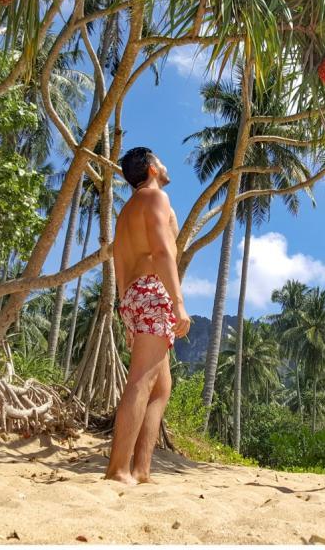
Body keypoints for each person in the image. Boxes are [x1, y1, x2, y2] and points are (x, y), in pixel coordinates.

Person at [105, 147, 191, 485]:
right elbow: (161, 251)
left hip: (133, 295)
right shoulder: (156, 199)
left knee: (160, 388)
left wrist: (127, 308)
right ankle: (117, 470)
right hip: (152, 293)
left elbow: (119, 261)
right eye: (162, 160)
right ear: (152, 168)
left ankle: (141, 469)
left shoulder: (127, 211)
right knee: (141, 380)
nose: (166, 167)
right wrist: (178, 302)